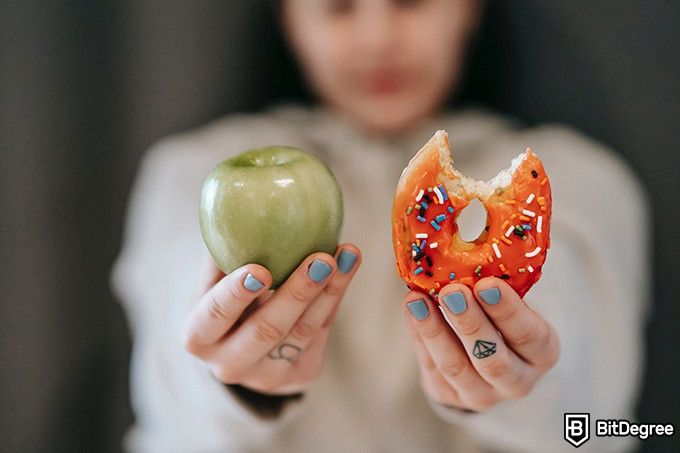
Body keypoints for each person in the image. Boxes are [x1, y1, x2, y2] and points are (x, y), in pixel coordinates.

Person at [111, 1, 650, 451]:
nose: (377, 38)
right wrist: (230, 378)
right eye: (338, 6)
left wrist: (525, 381)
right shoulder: (188, 172)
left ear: (469, 8)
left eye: (411, 0)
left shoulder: (583, 179)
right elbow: (169, 383)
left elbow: (592, 415)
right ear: (287, 17)